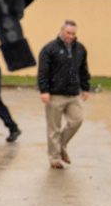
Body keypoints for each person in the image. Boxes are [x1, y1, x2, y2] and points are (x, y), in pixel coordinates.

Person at [37, 19, 91, 169]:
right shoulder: (49, 49)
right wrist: (44, 90)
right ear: (61, 30)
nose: (71, 36)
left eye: (73, 33)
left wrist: (86, 88)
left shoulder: (80, 49)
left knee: (77, 120)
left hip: (73, 94)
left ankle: (60, 146)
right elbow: (43, 72)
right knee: (53, 128)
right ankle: (54, 158)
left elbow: (83, 70)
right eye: (68, 32)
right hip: (54, 95)